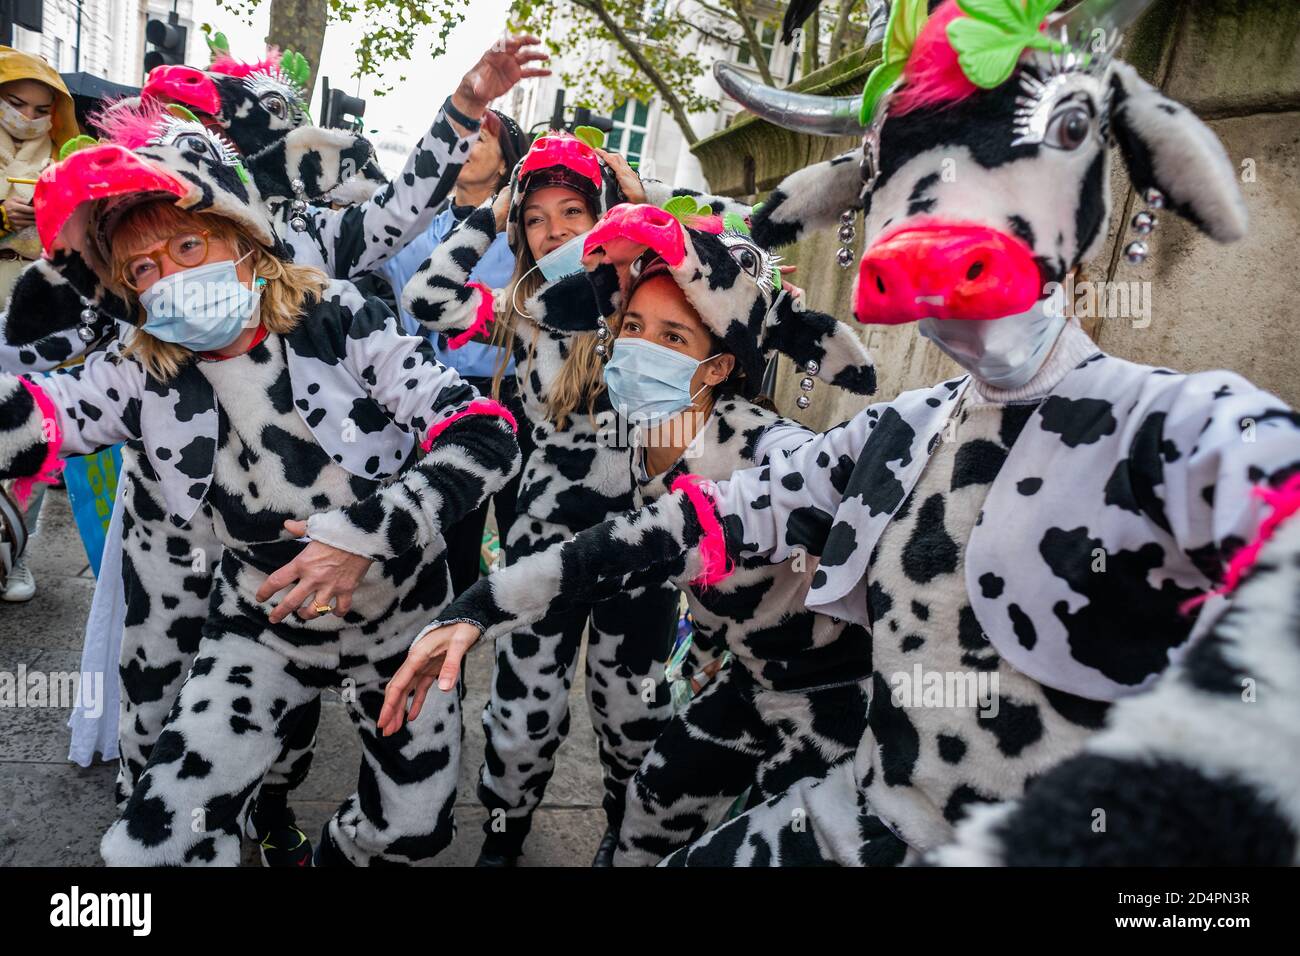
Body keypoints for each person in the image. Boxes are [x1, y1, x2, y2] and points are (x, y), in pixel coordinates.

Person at [382, 0, 1300, 866]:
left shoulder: (1174, 425)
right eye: (903, 178)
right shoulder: (890, 436)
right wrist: (474, 613)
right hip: (863, 815)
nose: (942, 216)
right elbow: (678, 530)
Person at [0, 35, 545, 866]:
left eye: (189, 246)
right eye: (143, 266)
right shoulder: (140, 367)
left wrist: (360, 539)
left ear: (243, 238)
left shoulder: (340, 316)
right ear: (125, 289)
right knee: (156, 843)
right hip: (259, 625)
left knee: (413, 831)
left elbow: (485, 433)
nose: (172, 275)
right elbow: (34, 416)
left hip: (399, 615)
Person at [382, 200, 882, 864]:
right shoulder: (649, 438)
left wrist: (479, 608)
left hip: (835, 700)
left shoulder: (766, 450)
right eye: (634, 327)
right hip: (747, 681)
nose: (642, 350)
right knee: (650, 806)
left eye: (672, 339)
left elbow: (663, 538)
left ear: (718, 366)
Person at [401, 132, 683, 866]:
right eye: (537, 217)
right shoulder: (522, 312)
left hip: (645, 550)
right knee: (523, 717)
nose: (555, 229)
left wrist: (644, 208)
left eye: (573, 210)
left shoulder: (661, 303)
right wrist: (494, 208)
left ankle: (625, 842)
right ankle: (504, 837)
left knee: (632, 715)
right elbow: (427, 298)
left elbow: (730, 266)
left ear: (604, 212)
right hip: (542, 552)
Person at [379, 107, 530, 594]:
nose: (464, 146)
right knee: (442, 550)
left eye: (481, 138)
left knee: (522, 543)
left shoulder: (526, 238)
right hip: (433, 401)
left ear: (506, 163)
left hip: (511, 399)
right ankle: (444, 663)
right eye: (460, 137)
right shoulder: (415, 229)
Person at [0, 47, 76, 603]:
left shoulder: (66, 157)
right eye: (14, 103)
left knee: (28, 430)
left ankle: (13, 555)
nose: (27, 116)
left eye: (40, 108)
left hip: (34, 312)